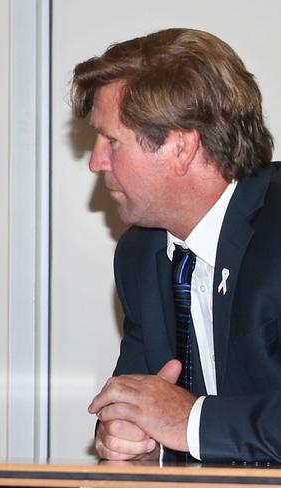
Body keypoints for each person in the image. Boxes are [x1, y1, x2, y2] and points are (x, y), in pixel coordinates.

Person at [71, 28, 281, 462]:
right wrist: (124, 430)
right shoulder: (139, 255)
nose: (96, 161)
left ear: (181, 148)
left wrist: (192, 421)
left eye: (112, 140)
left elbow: (183, 419)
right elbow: (139, 399)